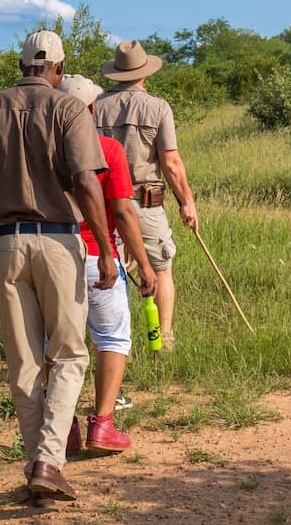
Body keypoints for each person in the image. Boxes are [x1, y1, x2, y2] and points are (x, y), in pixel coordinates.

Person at [0, 31, 116, 504]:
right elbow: (86, 180)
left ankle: (37, 469)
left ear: (20, 65)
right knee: (68, 354)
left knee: (23, 363)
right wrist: (105, 247)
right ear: (59, 69)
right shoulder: (67, 108)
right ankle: (48, 461)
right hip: (60, 244)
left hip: (6, 246)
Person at [57, 74, 156, 451]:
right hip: (99, 257)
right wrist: (144, 264)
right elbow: (123, 212)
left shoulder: (42, 151)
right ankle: (103, 424)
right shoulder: (107, 149)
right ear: (93, 108)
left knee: (57, 343)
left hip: (56, 257)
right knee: (112, 337)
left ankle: (63, 430)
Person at [95, 40, 198, 350]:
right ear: (144, 74)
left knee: (110, 272)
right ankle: (163, 341)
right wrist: (187, 202)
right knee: (161, 270)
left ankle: (113, 342)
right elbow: (171, 163)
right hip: (144, 202)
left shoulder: (94, 105)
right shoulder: (157, 107)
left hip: (103, 204)